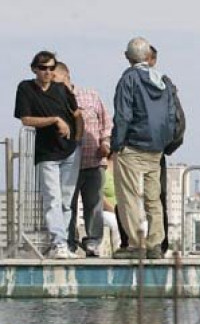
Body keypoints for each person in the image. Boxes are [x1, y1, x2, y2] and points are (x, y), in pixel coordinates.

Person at [111, 37, 177, 259]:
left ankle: (135, 244)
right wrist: (164, 142)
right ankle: (155, 243)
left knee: (129, 197)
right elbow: (171, 116)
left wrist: (117, 144)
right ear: (148, 56)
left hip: (132, 146)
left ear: (127, 57)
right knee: (153, 197)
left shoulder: (128, 80)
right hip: (156, 147)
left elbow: (123, 115)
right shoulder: (164, 81)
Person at [14, 51, 82, 259]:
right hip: (47, 154)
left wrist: (77, 140)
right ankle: (58, 242)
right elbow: (26, 119)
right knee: (53, 198)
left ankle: (65, 243)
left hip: (70, 151)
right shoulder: (26, 88)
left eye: (51, 68)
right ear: (34, 69)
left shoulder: (62, 89)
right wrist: (54, 120)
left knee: (66, 201)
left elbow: (77, 115)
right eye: (43, 68)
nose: (47, 72)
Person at [54, 62, 112, 258]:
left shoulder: (91, 96)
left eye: (56, 80)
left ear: (67, 76)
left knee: (94, 204)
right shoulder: (52, 101)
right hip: (66, 163)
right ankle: (68, 243)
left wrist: (106, 144)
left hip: (93, 161)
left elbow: (107, 123)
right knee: (66, 205)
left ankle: (93, 243)